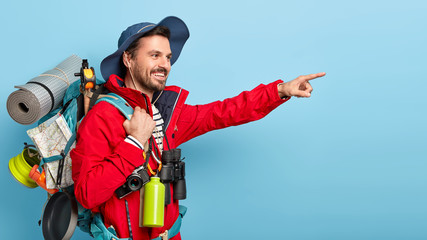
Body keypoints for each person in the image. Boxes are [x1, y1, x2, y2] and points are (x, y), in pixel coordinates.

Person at [71, 16, 325, 240]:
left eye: (168, 57)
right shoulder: (103, 115)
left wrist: (279, 91)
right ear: (128, 58)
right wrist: (135, 143)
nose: (165, 64)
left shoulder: (165, 114)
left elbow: (222, 112)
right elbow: (86, 194)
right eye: (154, 55)